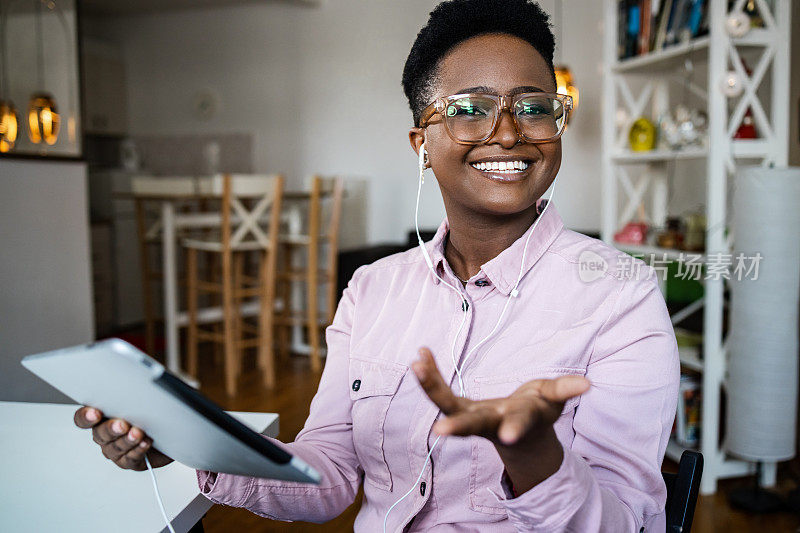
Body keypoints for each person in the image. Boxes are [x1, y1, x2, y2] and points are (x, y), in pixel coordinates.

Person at [74, 1, 679, 531]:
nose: (508, 133)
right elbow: (330, 474)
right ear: (422, 144)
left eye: (534, 107)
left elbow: (629, 520)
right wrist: (186, 445)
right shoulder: (372, 290)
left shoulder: (621, 295)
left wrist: (533, 456)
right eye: (470, 108)